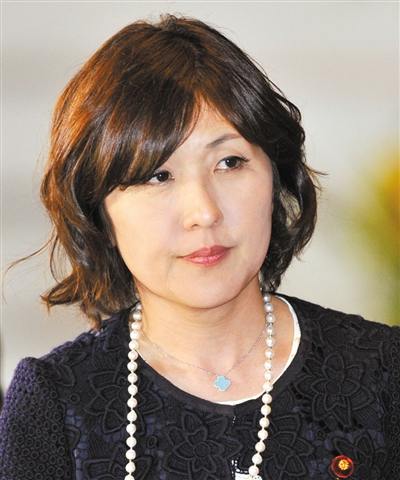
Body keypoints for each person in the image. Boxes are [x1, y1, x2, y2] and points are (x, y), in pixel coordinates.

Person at [0, 14, 399, 480]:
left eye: (229, 162)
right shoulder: (55, 406)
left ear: (275, 179)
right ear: (99, 213)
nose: (204, 212)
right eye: (157, 175)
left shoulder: (383, 372)